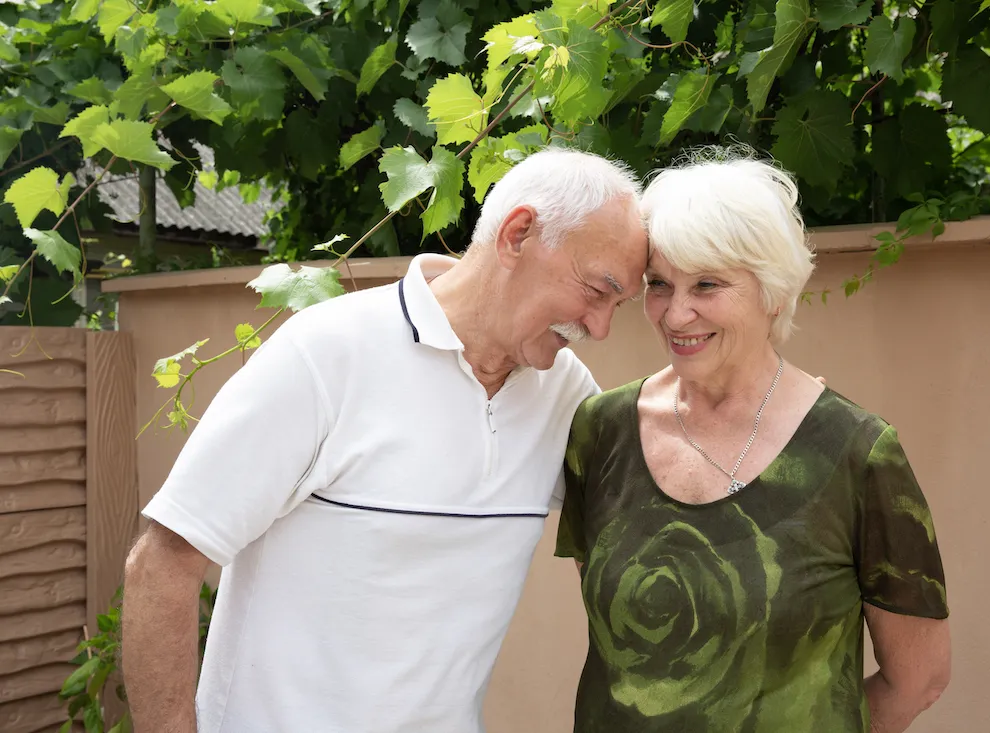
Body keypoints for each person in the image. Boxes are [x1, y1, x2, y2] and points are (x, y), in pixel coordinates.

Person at [121, 148, 648, 733]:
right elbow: (162, 563)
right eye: (597, 291)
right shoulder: (327, 353)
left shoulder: (564, 391)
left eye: (617, 305)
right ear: (518, 234)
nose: (599, 328)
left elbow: (630, 543)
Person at [555, 149, 951, 732]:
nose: (676, 314)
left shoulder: (857, 453)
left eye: (708, 284)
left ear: (771, 291)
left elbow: (918, 679)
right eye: (660, 285)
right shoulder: (601, 431)